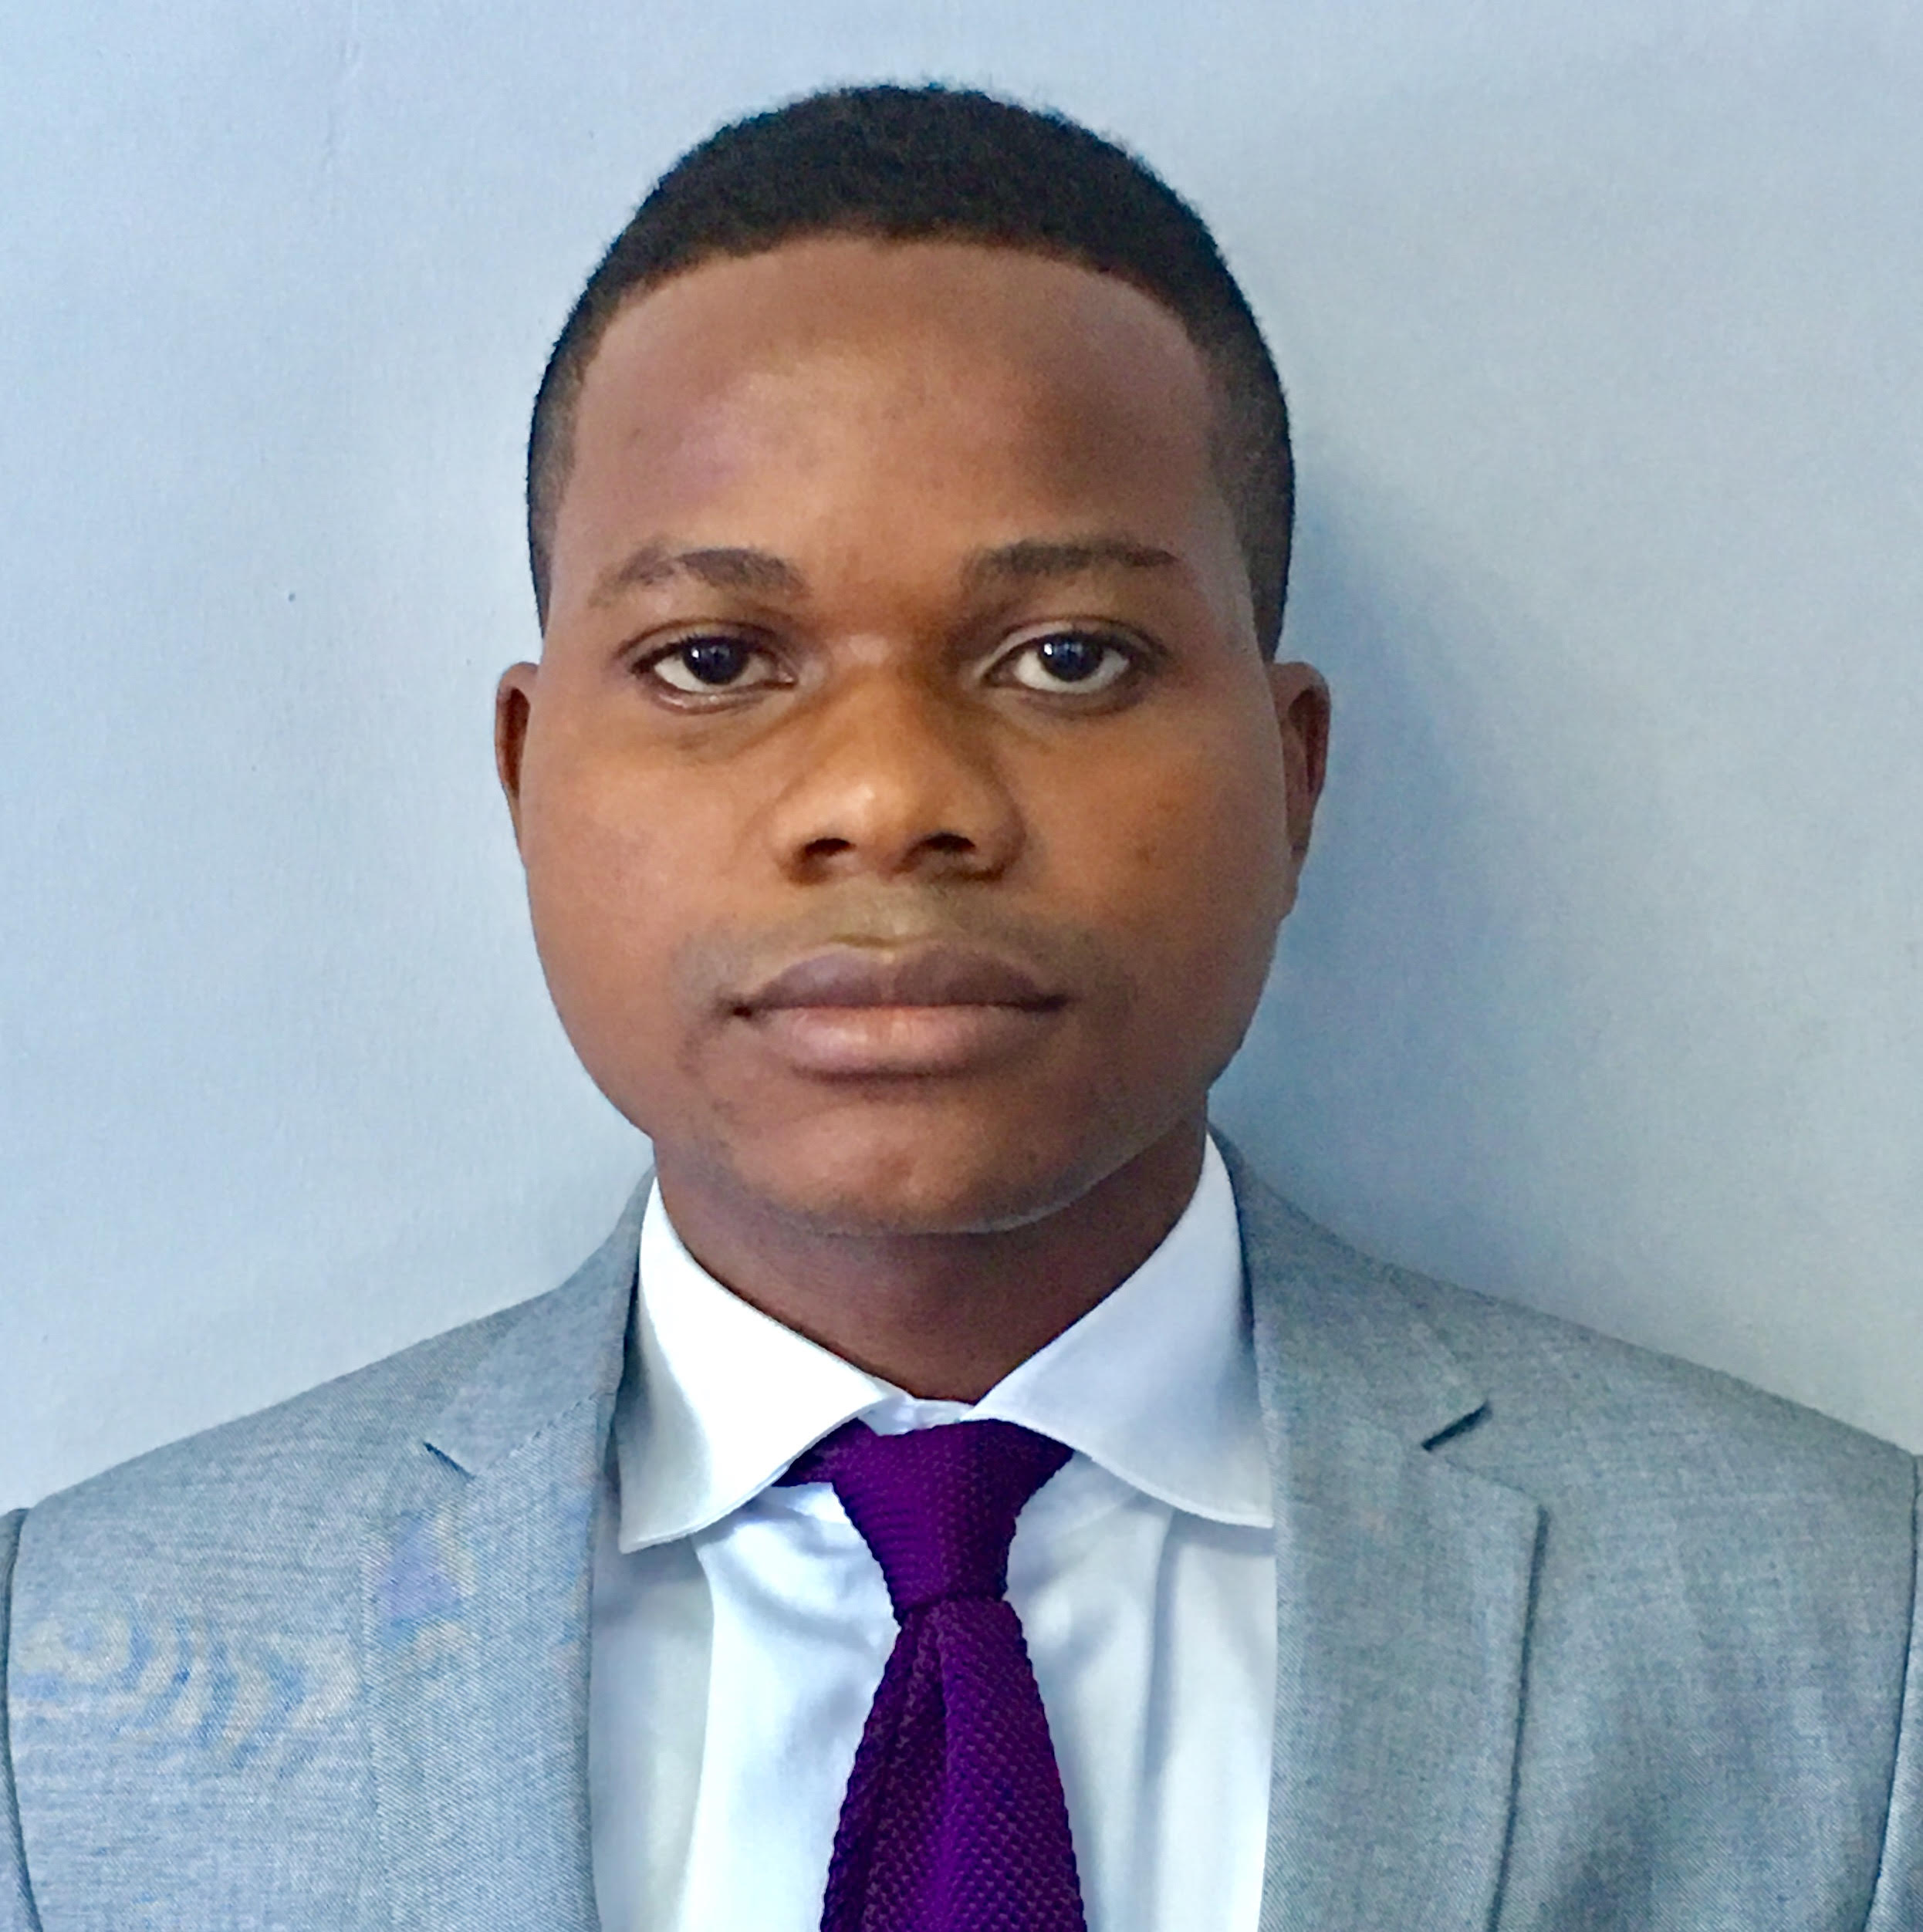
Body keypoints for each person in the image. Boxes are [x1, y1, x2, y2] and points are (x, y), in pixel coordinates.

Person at [2, 82, 1916, 1932]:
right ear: (523, 774)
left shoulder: (1850, 1643)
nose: (889, 794)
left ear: (1291, 774)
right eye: (715, 658)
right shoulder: (58, 1686)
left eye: (1068, 655)